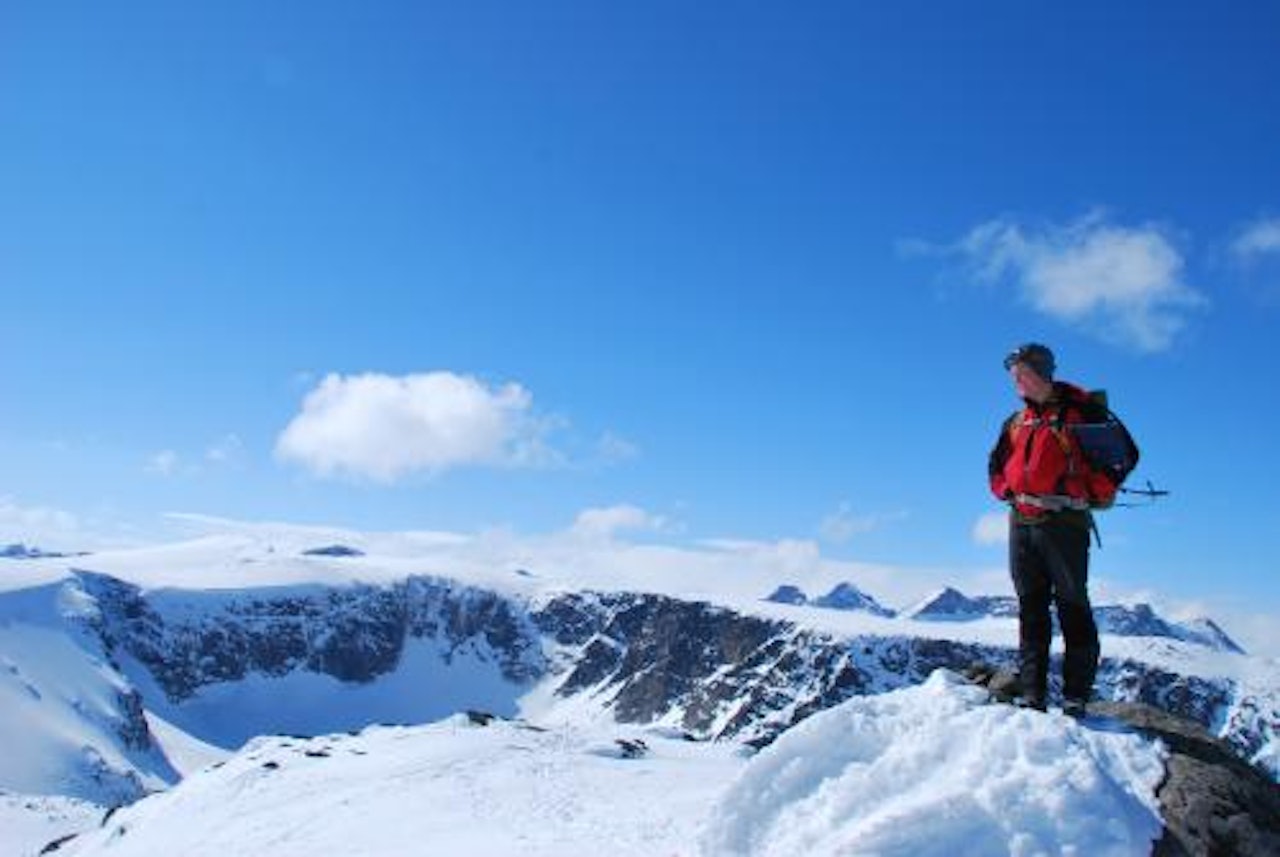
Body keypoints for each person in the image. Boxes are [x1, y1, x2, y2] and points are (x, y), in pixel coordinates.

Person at [987, 343, 1117, 717]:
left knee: (1072, 605)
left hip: (1064, 522)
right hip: (1022, 520)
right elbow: (995, 465)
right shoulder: (1016, 422)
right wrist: (1006, 491)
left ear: (1042, 373)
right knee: (1031, 607)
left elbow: (1116, 462)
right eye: (1014, 375)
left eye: (1023, 373)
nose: (1017, 381)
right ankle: (1033, 694)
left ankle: (1076, 696)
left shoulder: (1081, 414)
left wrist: (1084, 493)